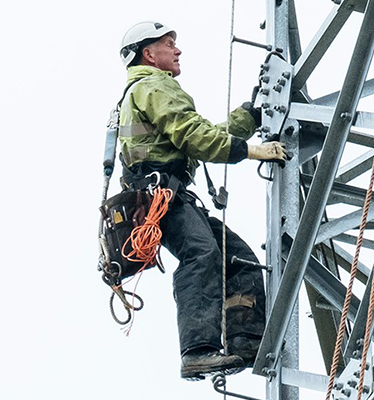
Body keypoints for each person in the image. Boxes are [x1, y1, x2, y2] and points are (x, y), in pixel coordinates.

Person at [113, 21, 287, 381]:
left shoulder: (142, 92)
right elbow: (195, 136)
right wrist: (252, 152)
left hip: (167, 198)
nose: (177, 50)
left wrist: (248, 118)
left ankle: (246, 346)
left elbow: (202, 136)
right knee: (202, 254)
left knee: (239, 260)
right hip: (162, 198)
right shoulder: (154, 85)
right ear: (149, 54)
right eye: (169, 44)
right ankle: (197, 350)